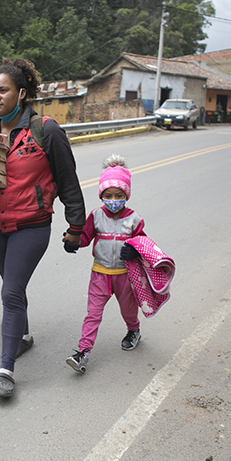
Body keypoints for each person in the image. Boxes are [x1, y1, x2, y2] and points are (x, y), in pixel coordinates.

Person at [0, 58, 86, 398]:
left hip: (31, 225)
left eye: (3, 90)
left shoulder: (46, 130)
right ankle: (24, 336)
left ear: (22, 92)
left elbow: (68, 181)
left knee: (11, 292)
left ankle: (6, 371)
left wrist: (76, 226)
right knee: (11, 283)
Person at [64, 155, 145, 374]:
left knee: (128, 311)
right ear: (102, 196)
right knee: (93, 314)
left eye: (118, 195)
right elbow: (85, 238)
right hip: (100, 274)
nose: (113, 199)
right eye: (108, 195)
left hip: (125, 276)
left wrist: (134, 250)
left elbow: (144, 245)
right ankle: (83, 352)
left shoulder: (134, 219)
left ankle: (133, 330)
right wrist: (73, 242)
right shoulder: (96, 216)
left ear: (126, 195)